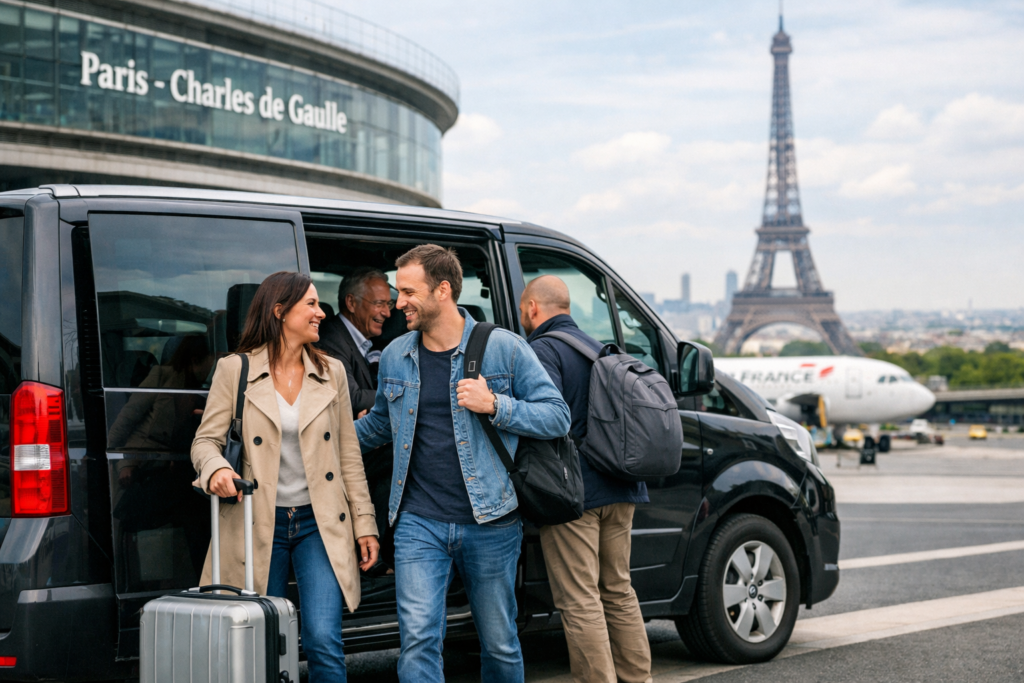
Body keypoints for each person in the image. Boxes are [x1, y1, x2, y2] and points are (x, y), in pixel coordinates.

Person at [355, 245, 570, 683]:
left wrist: (496, 405)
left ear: (443, 291)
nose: (399, 303)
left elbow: (557, 415)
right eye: (398, 293)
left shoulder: (503, 348)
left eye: (408, 292)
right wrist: (316, 442)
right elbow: (380, 424)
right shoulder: (397, 354)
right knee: (417, 641)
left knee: (500, 642)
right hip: (417, 521)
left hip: (490, 519)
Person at [191, 271, 380, 683]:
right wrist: (218, 467)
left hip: (319, 522)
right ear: (280, 311)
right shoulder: (235, 370)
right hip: (258, 521)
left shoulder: (331, 371)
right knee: (260, 640)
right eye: (311, 304)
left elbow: (349, 456)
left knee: (324, 639)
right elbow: (204, 442)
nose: (321, 313)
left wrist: (365, 524)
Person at [519, 275, 653, 683]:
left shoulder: (542, 350)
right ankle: (638, 679)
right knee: (618, 590)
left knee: (579, 600)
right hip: (622, 486)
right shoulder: (599, 349)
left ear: (532, 309)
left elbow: (547, 418)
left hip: (575, 495)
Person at [316, 266, 393, 418]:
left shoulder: (370, 342)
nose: (387, 313)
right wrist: (406, 393)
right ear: (351, 302)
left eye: (388, 304)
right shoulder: (330, 341)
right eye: (379, 304)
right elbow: (351, 398)